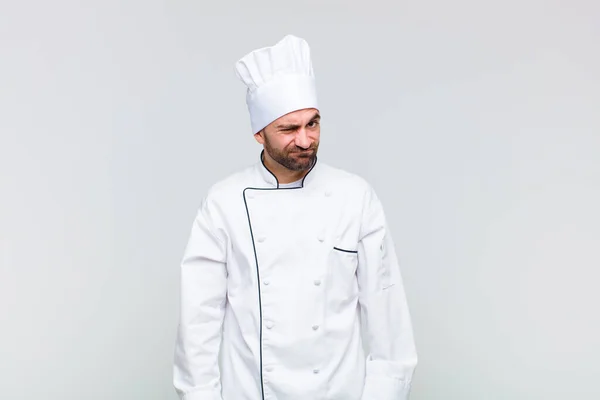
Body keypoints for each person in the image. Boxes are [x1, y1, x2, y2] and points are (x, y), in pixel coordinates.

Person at [173, 34, 418, 400]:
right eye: (288, 129)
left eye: (313, 124)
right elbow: (199, 321)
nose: (305, 140)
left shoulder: (355, 197)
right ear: (259, 134)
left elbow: (388, 317)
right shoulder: (224, 203)